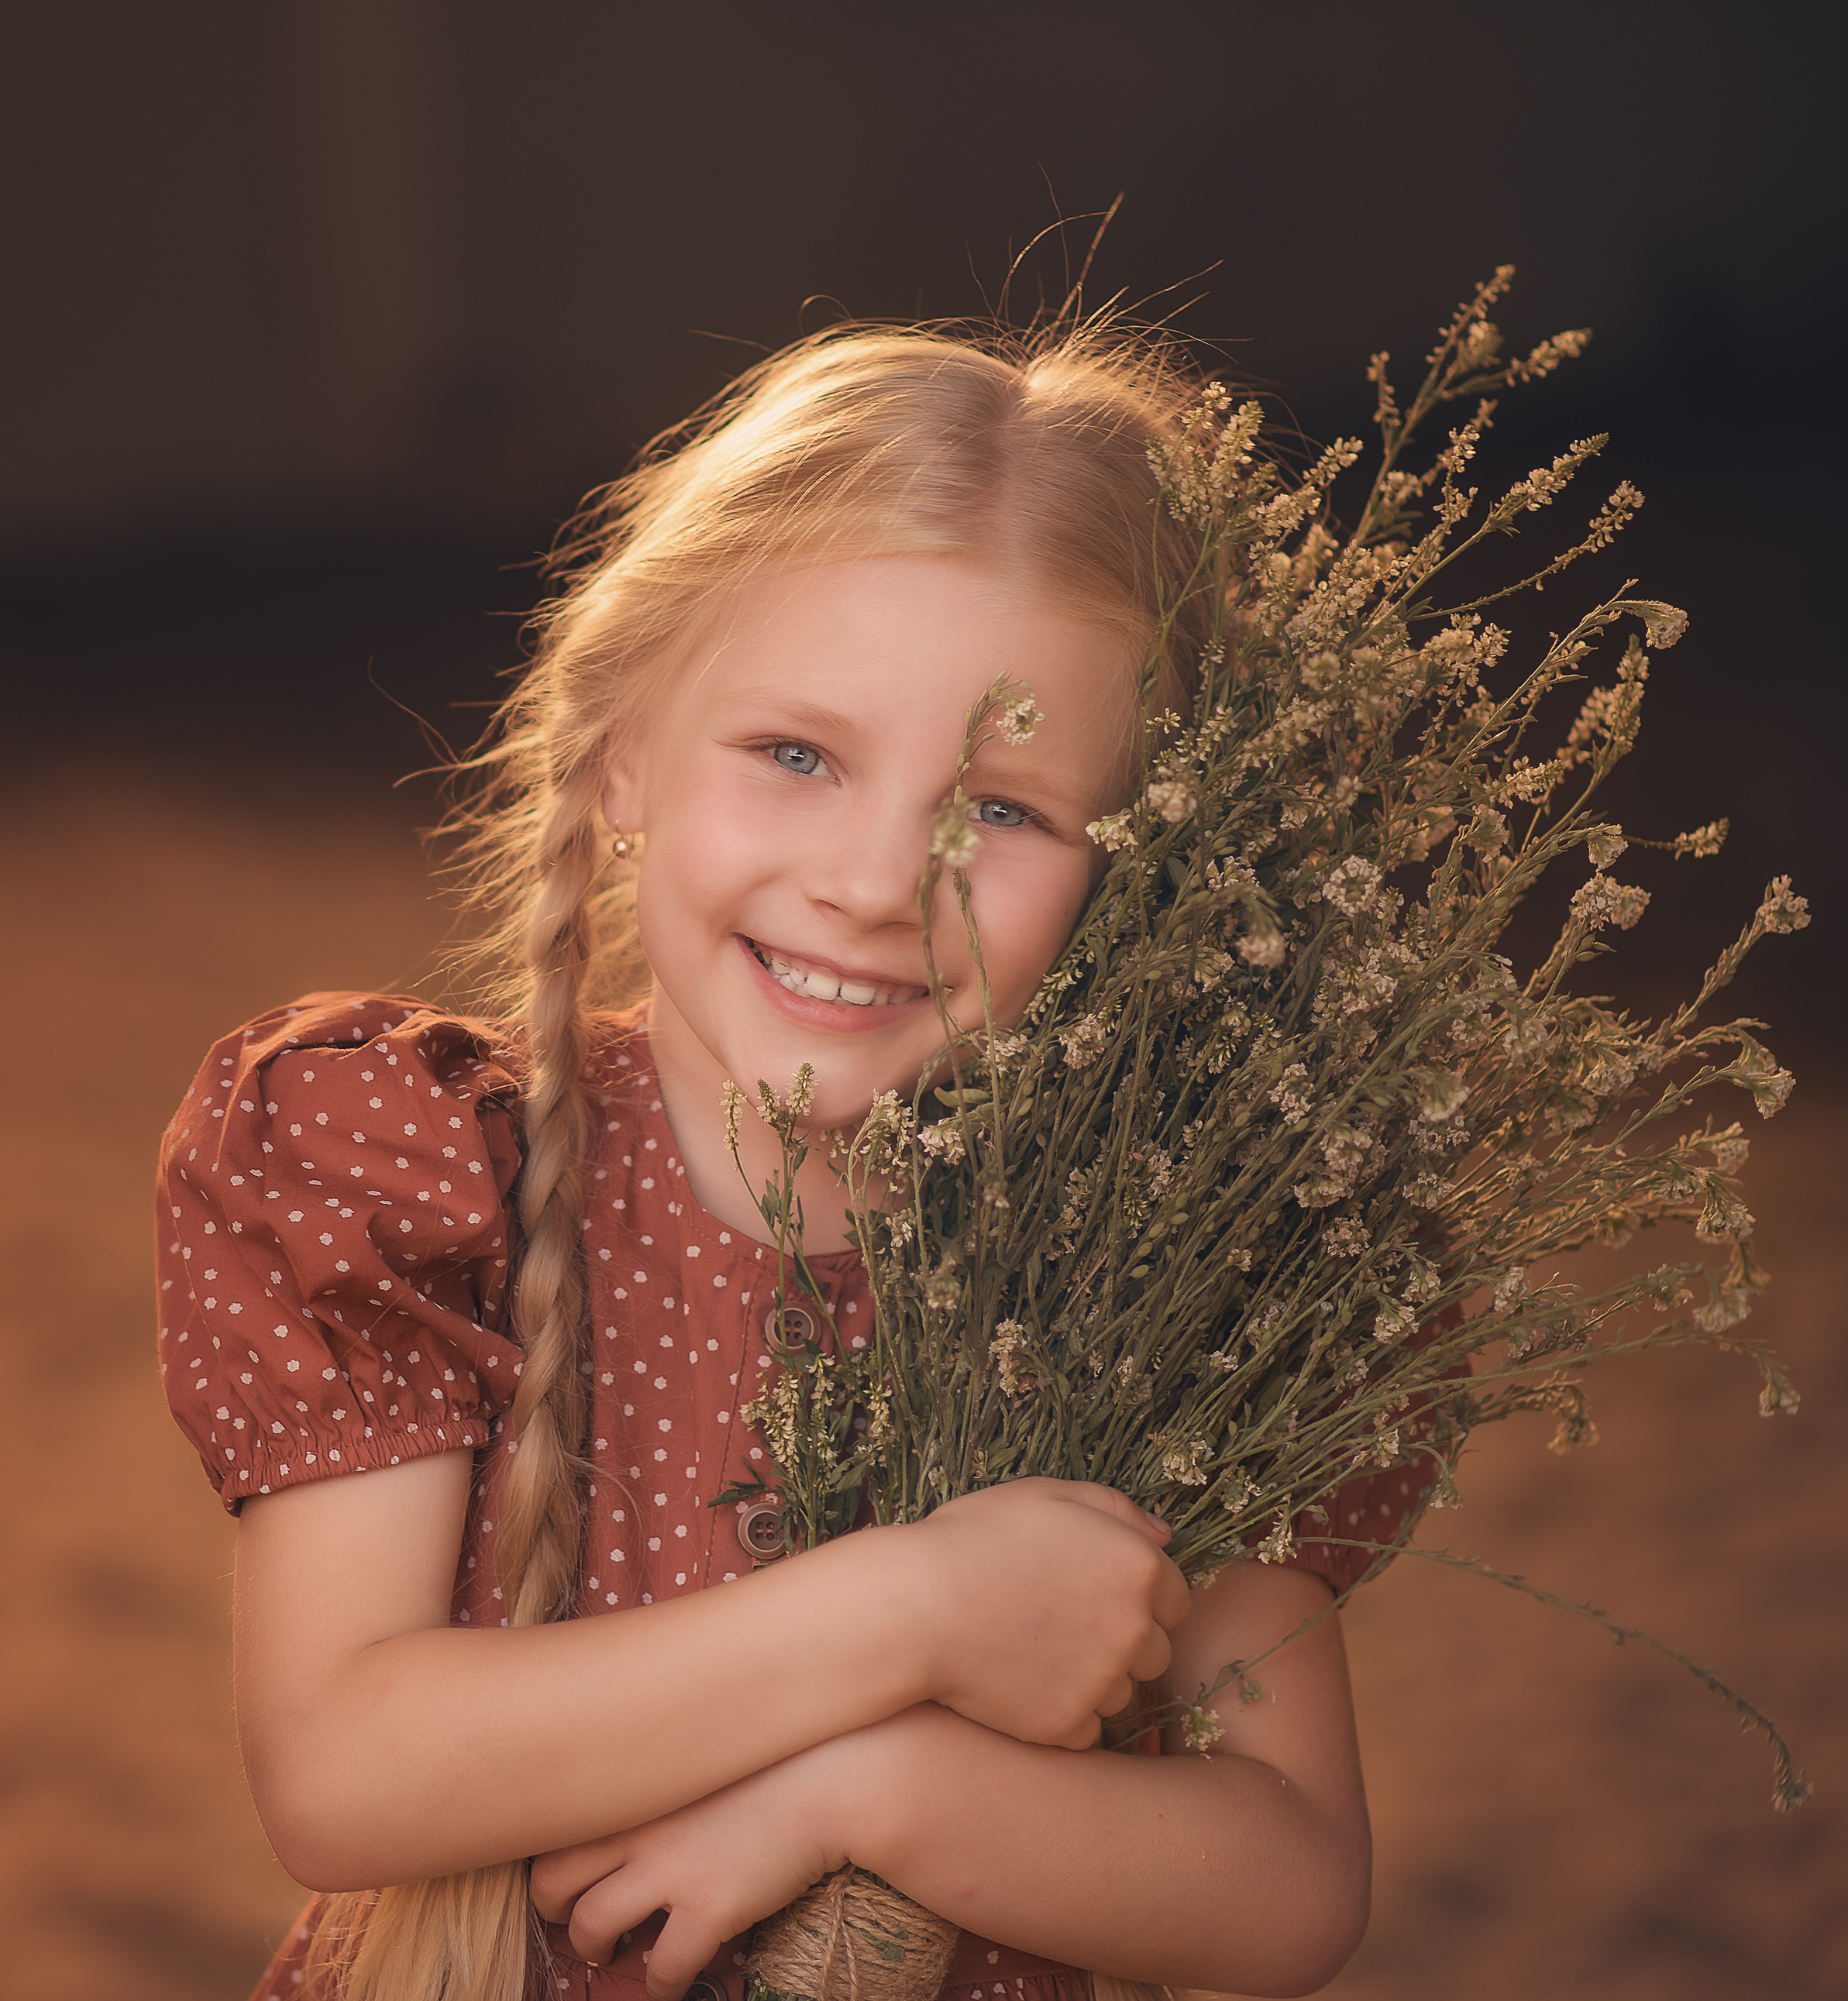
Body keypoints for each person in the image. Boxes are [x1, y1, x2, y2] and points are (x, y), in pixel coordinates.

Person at [156, 321, 1442, 2001]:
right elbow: (342, 1771)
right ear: (623, 749)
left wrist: (870, 1791)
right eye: (795, 755)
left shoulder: (1158, 1263)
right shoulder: (421, 1167)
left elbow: (1289, 1884)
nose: (874, 881)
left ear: (1137, 874)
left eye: (1001, 810)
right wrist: (911, 1613)